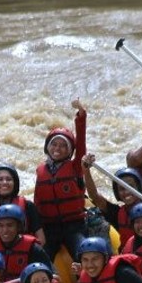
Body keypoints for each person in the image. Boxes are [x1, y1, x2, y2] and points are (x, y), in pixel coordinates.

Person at [34, 99, 89, 263]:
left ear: (70, 151)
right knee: (40, 257)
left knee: (82, 252)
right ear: (47, 147)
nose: (57, 148)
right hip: (49, 228)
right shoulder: (40, 170)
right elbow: (37, 202)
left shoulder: (76, 166)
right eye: (54, 144)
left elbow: (81, 143)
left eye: (63, 145)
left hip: (74, 226)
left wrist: (81, 116)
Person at [0, 163, 45, 246]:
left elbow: (41, 240)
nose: (4, 182)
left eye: (8, 179)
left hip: (23, 255)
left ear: (15, 183)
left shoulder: (28, 207)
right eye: (0, 179)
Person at [0, 204, 51, 282]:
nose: (5, 230)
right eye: (1, 226)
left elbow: (52, 275)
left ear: (19, 227)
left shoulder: (34, 248)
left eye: (10, 225)